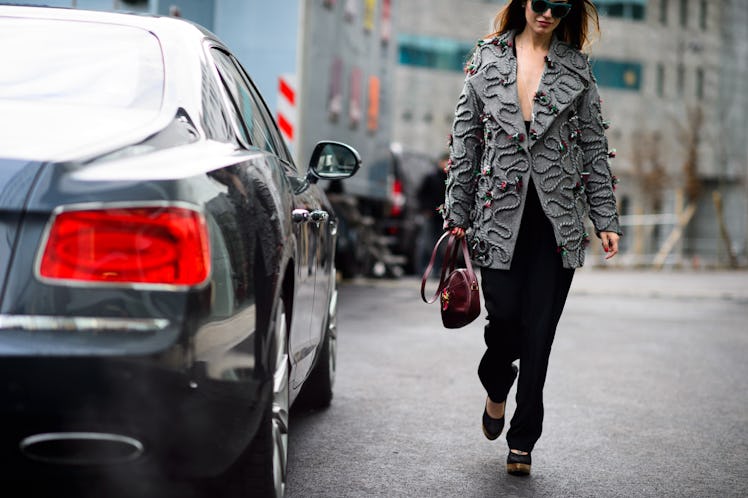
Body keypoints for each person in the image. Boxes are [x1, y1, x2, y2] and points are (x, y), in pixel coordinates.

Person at [441, 0, 621, 476]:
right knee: (503, 324)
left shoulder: (576, 68)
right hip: (497, 217)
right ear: (523, 2)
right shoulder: (487, 59)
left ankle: (523, 441)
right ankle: (496, 386)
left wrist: (605, 217)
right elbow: (466, 142)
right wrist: (456, 213)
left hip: (557, 220)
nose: (547, 13)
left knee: (539, 337)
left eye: (558, 7)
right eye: (539, 3)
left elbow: (592, 146)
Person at [416, 152, 449, 274]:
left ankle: (436, 269)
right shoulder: (431, 177)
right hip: (430, 215)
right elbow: (421, 194)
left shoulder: (448, 178)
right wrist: (426, 210)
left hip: (443, 216)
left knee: (440, 245)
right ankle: (421, 269)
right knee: (426, 243)